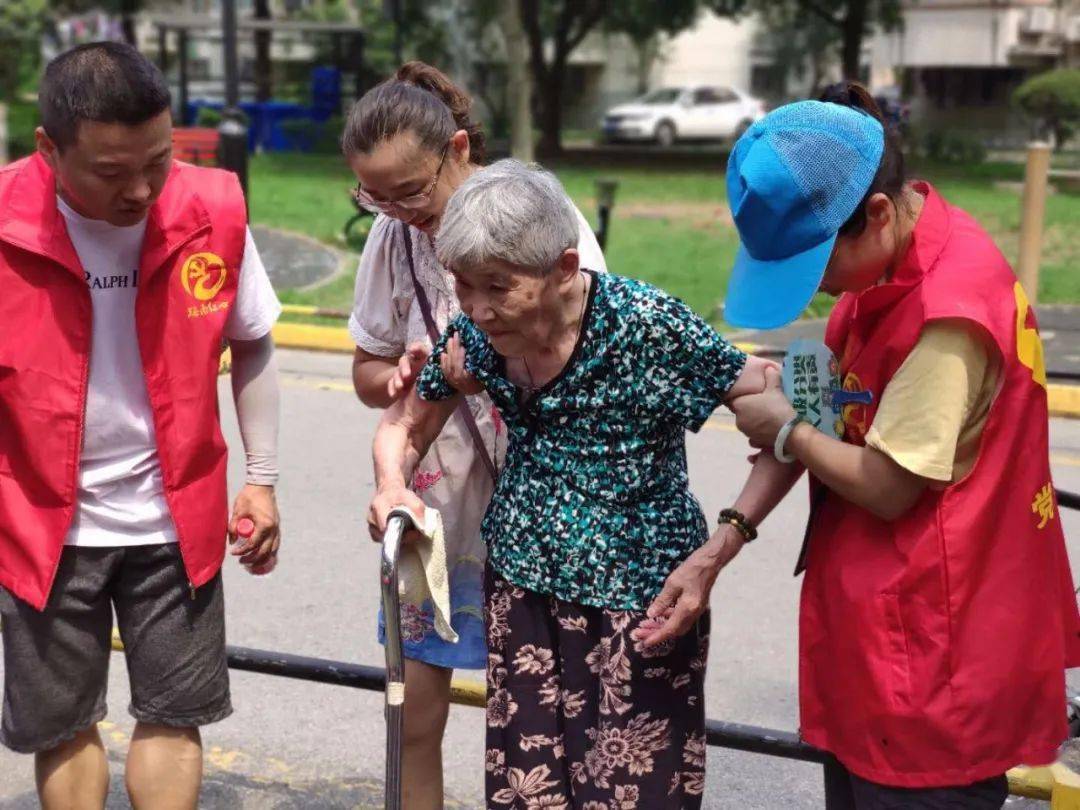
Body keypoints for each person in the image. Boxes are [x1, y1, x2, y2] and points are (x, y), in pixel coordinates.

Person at [368, 159, 785, 808]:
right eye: (463, 286)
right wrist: (392, 484)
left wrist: (721, 547)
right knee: (527, 793)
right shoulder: (477, 336)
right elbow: (406, 428)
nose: (476, 308)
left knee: (632, 795)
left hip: (637, 607)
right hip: (521, 596)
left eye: (497, 287)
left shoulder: (647, 329)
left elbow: (782, 431)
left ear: (565, 268)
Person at [718, 82, 1080, 808]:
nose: (815, 291)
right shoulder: (893, 265)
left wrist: (786, 426)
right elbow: (829, 414)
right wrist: (726, 537)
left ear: (877, 215)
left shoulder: (949, 315)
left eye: (814, 265)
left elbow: (886, 485)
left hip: (936, 663)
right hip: (881, 644)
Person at [0, 43, 282, 809]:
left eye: (156, 161)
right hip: (37, 520)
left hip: (173, 514)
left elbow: (250, 335)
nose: (141, 190)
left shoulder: (210, 208)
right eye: (111, 171)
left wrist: (261, 480)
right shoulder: (2, 222)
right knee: (62, 724)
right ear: (48, 149)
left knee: (175, 713)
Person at [340, 62, 606, 809]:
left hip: (539, 497)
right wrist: (402, 376)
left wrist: (484, 365)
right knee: (413, 715)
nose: (396, 210)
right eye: (375, 196)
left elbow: (585, 354)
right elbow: (367, 372)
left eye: (411, 191)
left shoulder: (537, 217)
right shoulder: (393, 238)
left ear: (458, 148)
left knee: (542, 722)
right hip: (439, 502)